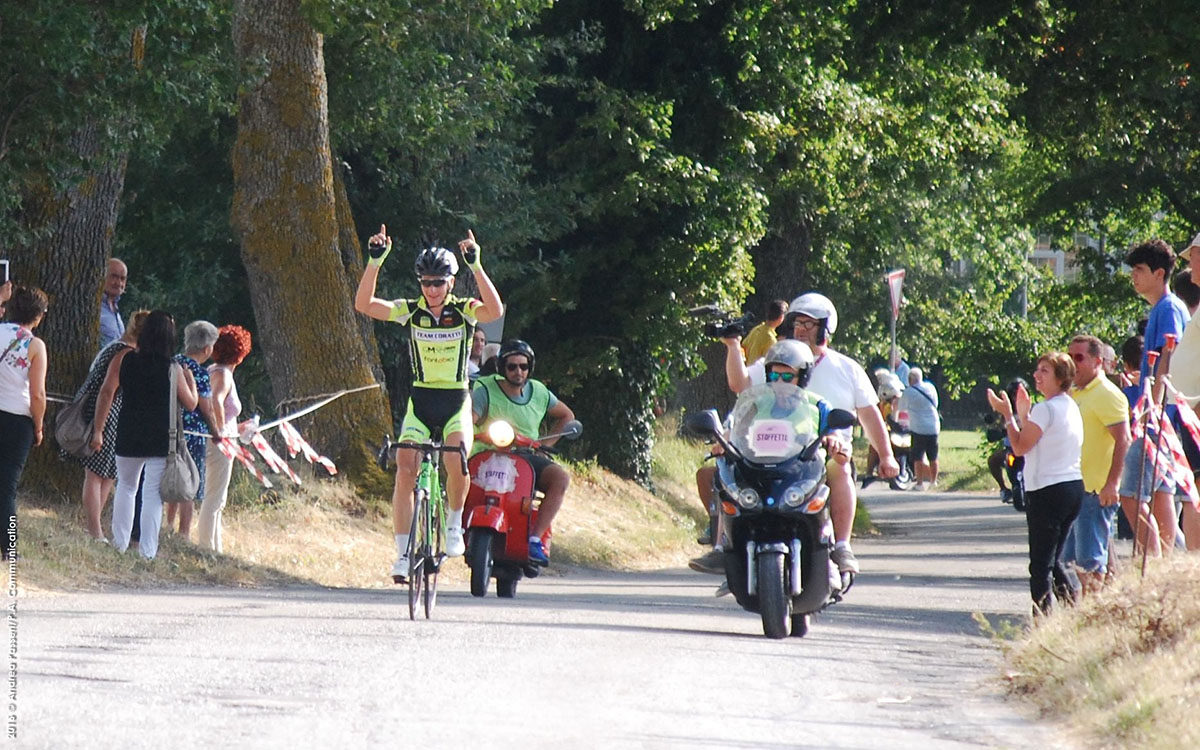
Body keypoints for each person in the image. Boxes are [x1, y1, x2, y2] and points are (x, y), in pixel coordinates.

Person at [355, 225, 504, 582]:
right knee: (405, 469)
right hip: (421, 401)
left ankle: (454, 525)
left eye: (439, 282)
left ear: (451, 282)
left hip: (455, 400)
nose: (432, 289)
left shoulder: (465, 310)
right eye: (426, 282)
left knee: (456, 459)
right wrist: (374, 263)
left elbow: (495, 310)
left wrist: (476, 266)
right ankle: (403, 553)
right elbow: (364, 305)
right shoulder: (411, 311)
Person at [721, 293, 898, 574]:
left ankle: (841, 545)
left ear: (826, 329)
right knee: (730, 470)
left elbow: (869, 415)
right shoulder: (777, 360)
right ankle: (729, 548)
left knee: (838, 468)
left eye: (809, 323)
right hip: (777, 452)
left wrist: (887, 456)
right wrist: (732, 345)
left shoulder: (847, 369)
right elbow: (742, 387)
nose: (800, 329)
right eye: (796, 323)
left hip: (826, 451)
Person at [90, 311, 198, 560]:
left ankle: (119, 543)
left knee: (126, 488)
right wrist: (190, 380)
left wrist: (98, 428)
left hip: (128, 431)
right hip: (161, 437)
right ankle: (147, 551)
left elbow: (107, 392)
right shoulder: (173, 368)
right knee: (152, 495)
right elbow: (191, 403)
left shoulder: (123, 359)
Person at [987, 352, 1084, 616]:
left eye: (1044, 371)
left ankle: (1043, 619)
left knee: (1040, 565)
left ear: (1061, 378)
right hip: (1072, 485)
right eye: (1037, 370)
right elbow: (1038, 438)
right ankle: (1075, 609)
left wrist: (1008, 416)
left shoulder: (1046, 408)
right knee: (1054, 561)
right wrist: (1023, 414)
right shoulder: (1068, 405)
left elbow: (1019, 447)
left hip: (1048, 490)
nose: (1036, 376)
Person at [471, 340, 576, 564]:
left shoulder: (539, 391)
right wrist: (469, 433)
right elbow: (470, 417)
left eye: (523, 366)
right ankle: (454, 527)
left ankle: (535, 539)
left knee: (560, 478)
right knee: (457, 476)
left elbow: (567, 416)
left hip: (527, 456)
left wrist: (545, 445)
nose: (518, 371)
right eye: (512, 366)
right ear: (502, 368)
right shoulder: (485, 388)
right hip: (489, 453)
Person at [1119, 239, 1188, 559]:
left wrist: (1153, 406)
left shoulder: (1169, 307)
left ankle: (1153, 562)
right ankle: (1171, 564)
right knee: (1161, 494)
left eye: (1139, 269)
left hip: (1158, 416)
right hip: (1159, 414)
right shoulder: (1160, 308)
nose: (1133, 275)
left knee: (1130, 495)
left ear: (1160, 273)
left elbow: (1168, 354)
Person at [65, 309, 149, 541]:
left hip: (115, 416)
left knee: (108, 474)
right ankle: (94, 530)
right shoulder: (123, 352)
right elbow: (107, 391)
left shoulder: (123, 350)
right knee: (95, 473)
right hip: (106, 414)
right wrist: (99, 429)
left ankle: (95, 527)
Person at [1062, 335, 1131, 594]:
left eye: (1079, 357)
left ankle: (1094, 613)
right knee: (1069, 561)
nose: (1072, 363)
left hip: (1095, 490)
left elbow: (1123, 439)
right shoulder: (1076, 392)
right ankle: (1081, 617)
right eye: (1069, 356)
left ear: (1098, 361)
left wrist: (1112, 483)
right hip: (1074, 487)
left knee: (1090, 561)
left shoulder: (1106, 394)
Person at [0, 286, 48, 561]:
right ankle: (9, 546)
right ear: (38, 317)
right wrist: (39, 425)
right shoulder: (35, 346)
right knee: (7, 485)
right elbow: (37, 393)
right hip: (18, 419)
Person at [165, 321, 222, 540]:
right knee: (189, 482)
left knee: (173, 476)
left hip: (170, 429)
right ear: (207, 348)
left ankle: (168, 524)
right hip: (193, 434)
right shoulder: (199, 372)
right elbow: (206, 407)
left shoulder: (174, 361)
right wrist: (216, 431)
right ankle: (184, 533)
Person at [197, 325, 252, 553]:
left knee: (218, 499)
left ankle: (216, 548)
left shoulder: (213, 370)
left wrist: (240, 428)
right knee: (214, 498)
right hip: (220, 444)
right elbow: (216, 402)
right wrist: (219, 431)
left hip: (223, 438)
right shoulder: (223, 375)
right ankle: (207, 548)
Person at [1168, 231, 1200, 550]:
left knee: (1195, 497)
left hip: (1197, 415)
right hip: (1190, 415)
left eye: (1194, 255)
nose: (1191, 264)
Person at [896, 364, 941, 490]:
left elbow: (901, 408)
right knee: (933, 455)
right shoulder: (930, 387)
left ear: (910, 379)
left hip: (918, 428)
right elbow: (936, 404)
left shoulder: (908, 392)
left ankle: (920, 483)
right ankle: (933, 481)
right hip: (933, 426)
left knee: (918, 456)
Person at [740, 299, 787, 364]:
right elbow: (769, 364)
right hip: (756, 373)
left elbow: (742, 348)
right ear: (781, 317)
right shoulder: (770, 339)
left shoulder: (756, 329)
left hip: (746, 371)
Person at [99, 259, 128, 349]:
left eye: (122, 278)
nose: (119, 283)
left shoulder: (115, 309)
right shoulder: (94, 308)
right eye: (114, 277)